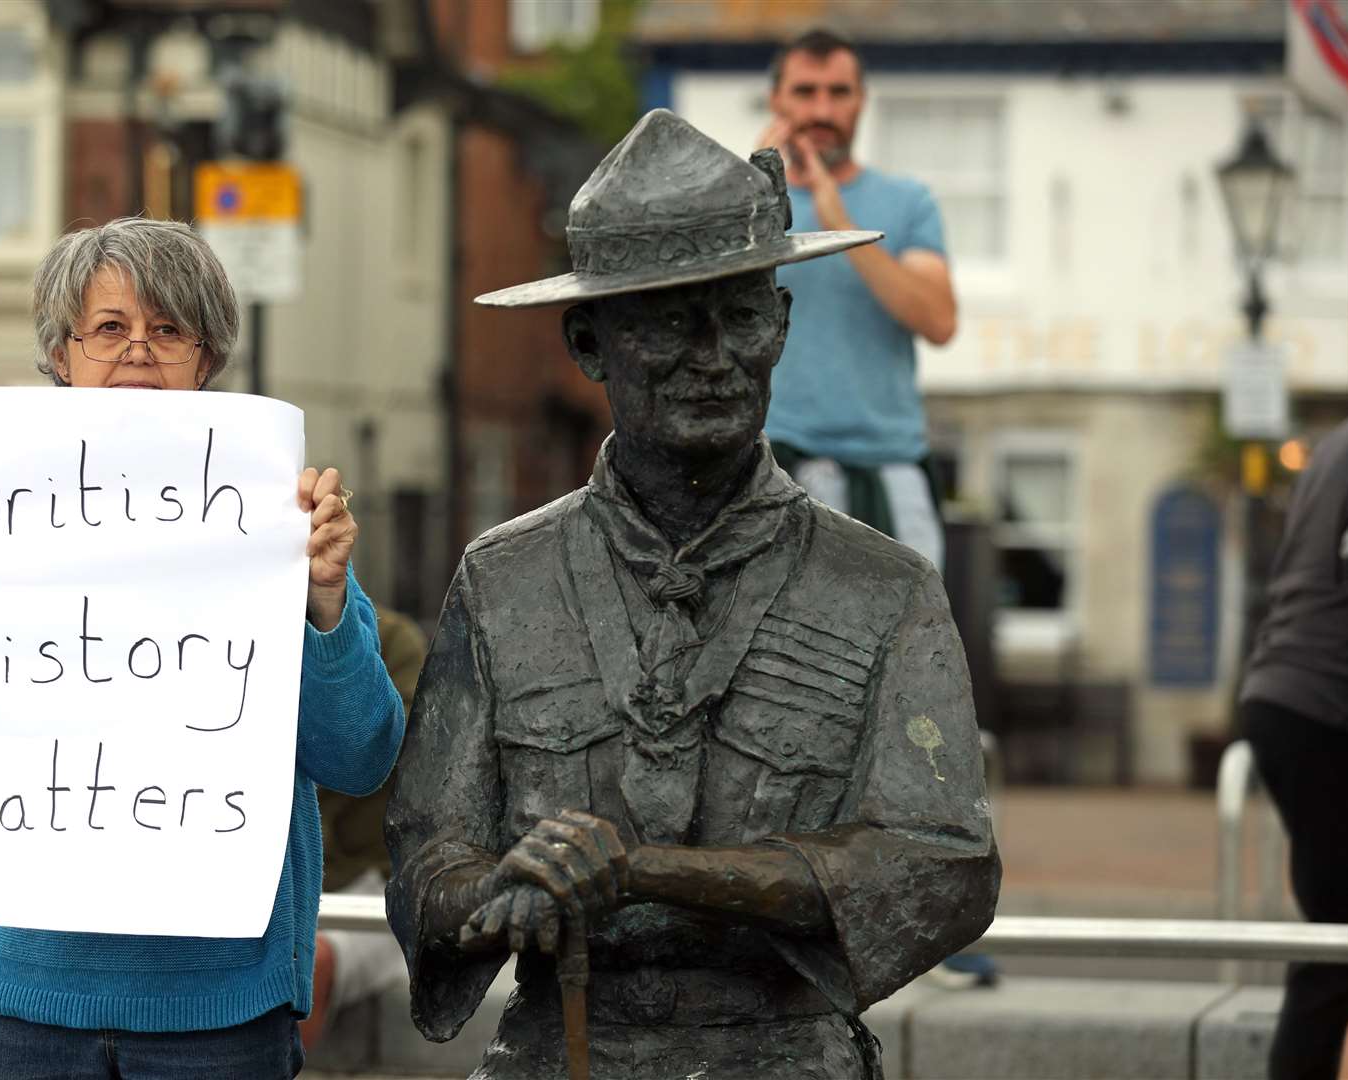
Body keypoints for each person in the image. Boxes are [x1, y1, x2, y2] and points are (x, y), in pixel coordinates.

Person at [384, 109, 998, 1080]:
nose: (715, 354)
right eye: (672, 321)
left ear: (782, 326)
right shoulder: (502, 582)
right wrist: (509, 882)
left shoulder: (883, 590)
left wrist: (649, 873)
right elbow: (423, 869)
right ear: (589, 340)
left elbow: (943, 867)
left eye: (743, 314)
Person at [0, 216, 406, 1080]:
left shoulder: (277, 523)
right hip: (21, 990)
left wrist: (329, 602)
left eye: (168, 330)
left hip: (220, 1003)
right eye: (111, 328)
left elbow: (361, 755)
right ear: (63, 353)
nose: (139, 352)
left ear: (207, 357)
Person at [756, 28, 957, 571]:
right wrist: (752, 194)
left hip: (888, 467)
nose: (822, 109)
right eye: (805, 92)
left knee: (910, 648)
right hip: (773, 466)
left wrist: (838, 219)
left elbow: (938, 321)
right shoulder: (740, 202)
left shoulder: (906, 202)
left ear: (861, 100)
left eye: (838, 92)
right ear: (777, 100)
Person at [1239, 417, 1348, 1080]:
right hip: (1329, 707)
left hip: (1286, 697)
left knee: (1333, 936)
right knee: (1337, 937)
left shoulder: (1334, 444)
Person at [302, 605, 428, 1048]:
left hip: (366, 880)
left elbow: (384, 750)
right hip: (265, 875)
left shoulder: (392, 641)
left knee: (307, 961)